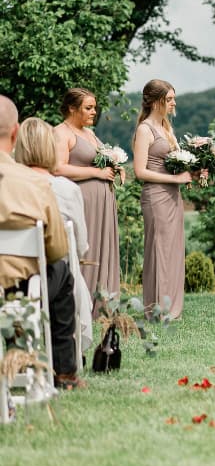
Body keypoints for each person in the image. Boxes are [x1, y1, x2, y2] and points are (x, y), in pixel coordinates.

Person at [0, 96, 83, 390]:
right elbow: (57, 248)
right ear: (14, 134)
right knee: (62, 273)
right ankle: (65, 373)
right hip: (21, 288)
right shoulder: (35, 184)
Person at [14, 117, 94, 352]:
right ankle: (67, 359)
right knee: (68, 272)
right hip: (55, 278)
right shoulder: (67, 189)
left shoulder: (7, 186)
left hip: (12, 276)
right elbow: (79, 247)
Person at [53, 87, 123, 310]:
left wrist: (114, 166)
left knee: (102, 248)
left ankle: (103, 303)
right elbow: (58, 168)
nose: (94, 112)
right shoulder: (61, 133)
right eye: (88, 108)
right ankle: (82, 306)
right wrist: (97, 173)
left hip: (103, 202)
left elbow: (96, 160)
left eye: (95, 107)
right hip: (83, 201)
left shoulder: (89, 133)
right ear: (72, 108)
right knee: (87, 249)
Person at [132, 80, 193, 320]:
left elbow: (177, 162)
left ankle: (172, 308)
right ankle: (157, 308)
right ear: (157, 101)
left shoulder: (167, 128)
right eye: (169, 99)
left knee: (173, 251)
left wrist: (194, 171)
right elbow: (140, 172)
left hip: (172, 197)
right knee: (158, 250)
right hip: (156, 197)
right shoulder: (145, 130)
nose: (173, 103)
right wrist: (177, 179)